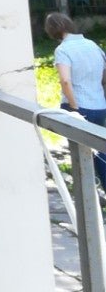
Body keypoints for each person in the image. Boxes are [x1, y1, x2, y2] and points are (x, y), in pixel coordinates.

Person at [46, 12, 106, 185]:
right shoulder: (92, 45)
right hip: (99, 104)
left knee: (81, 154)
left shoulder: (62, 50)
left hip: (78, 106)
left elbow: (65, 80)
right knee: (101, 151)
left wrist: (74, 107)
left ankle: (87, 191)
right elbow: (104, 75)